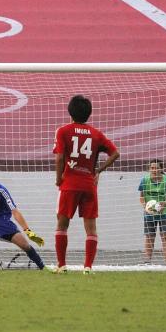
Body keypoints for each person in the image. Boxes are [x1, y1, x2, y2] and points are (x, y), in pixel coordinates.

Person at [53, 95, 120, 274]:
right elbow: (115, 153)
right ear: (89, 114)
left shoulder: (63, 131)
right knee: (90, 228)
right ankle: (88, 267)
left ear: (70, 111)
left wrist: (58, 178)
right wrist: (98, 171)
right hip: (89, 185)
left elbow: (59, 157)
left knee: (62, 225)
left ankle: (61, 265)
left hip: (69, 184)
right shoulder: (96, 134)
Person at [138, 159, 166, 265]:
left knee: (165, 236)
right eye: (152, 168)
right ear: (149, 169)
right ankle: (147, 261)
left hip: (165, 212)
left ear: (161, 169)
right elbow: (141, 197)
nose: (154, 170)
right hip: (150, 213)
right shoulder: (144, 180)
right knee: (149, 236)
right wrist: (145, 206)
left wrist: (164, 204)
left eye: (157, 168)